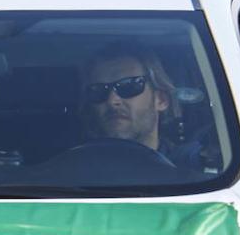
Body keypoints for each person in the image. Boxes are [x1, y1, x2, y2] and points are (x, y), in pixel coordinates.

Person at [82, 45, 210, 169]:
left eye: (128, 86)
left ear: (161, 100)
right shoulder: (75, 170)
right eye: (98, 91)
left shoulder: (188, 166)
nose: (112, 100)